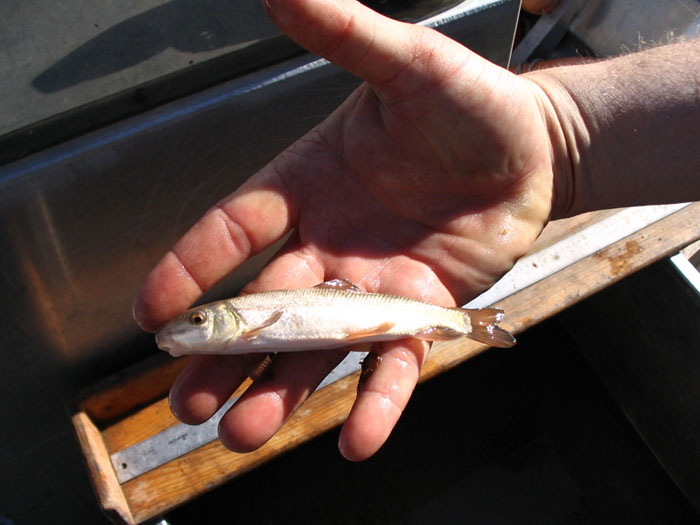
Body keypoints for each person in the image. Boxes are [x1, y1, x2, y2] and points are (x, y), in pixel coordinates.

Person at [133, 0, 700, 461]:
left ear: (230, 318)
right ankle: (465, 325)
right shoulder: (247, 321)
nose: (193, 324)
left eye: (200, 319)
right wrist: (560, 135)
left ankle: (464, 324)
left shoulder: (248, 316)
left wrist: (556, 136)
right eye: (197, 321)